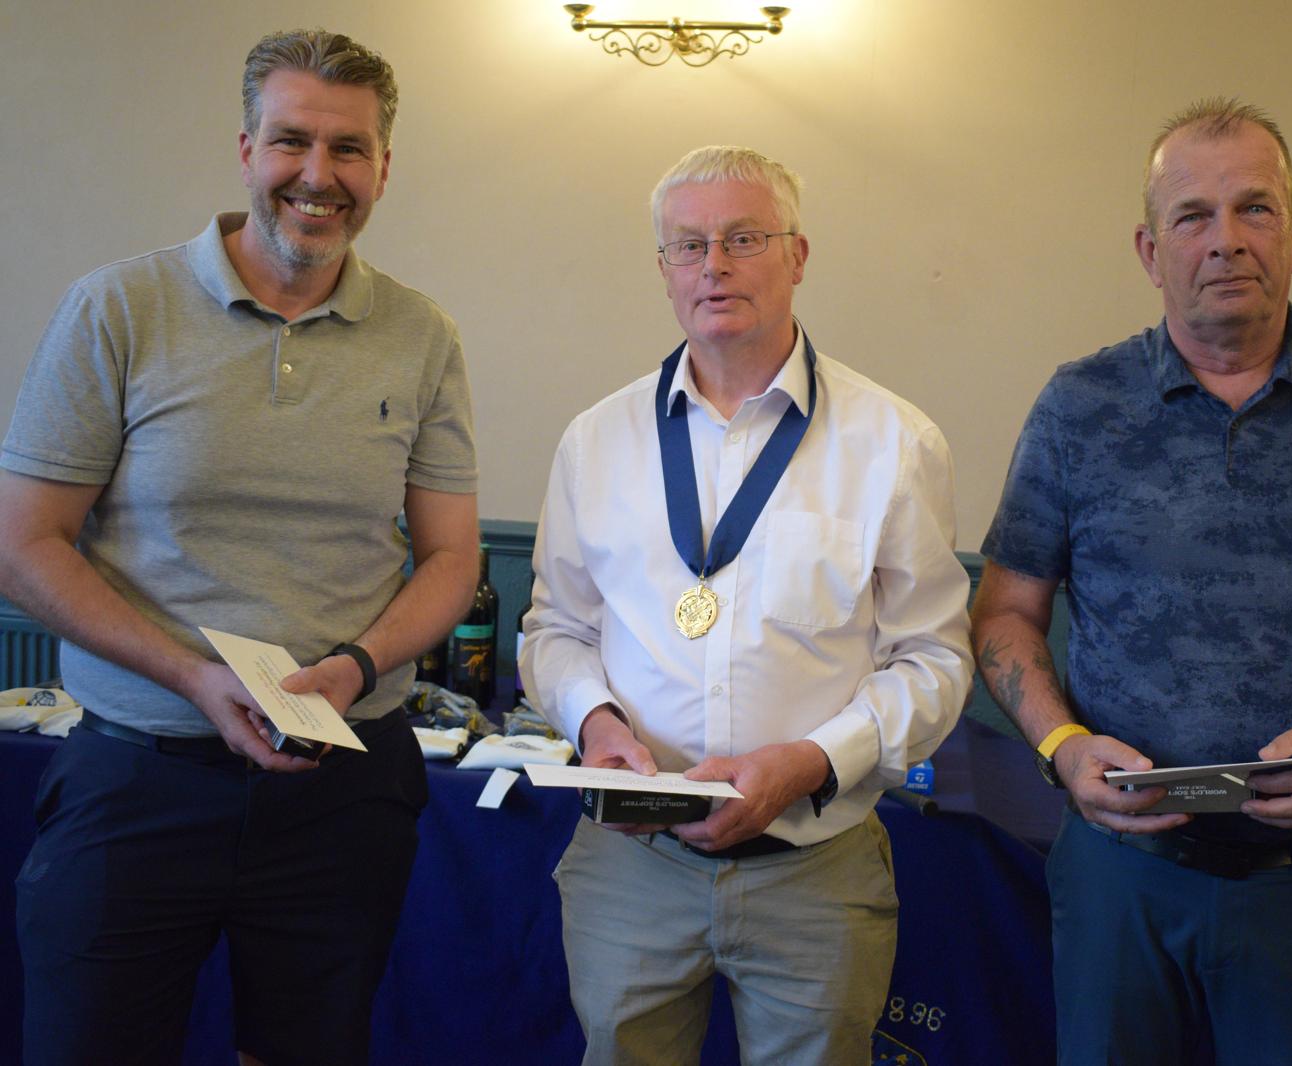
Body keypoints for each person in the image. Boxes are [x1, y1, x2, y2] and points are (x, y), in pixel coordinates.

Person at [970, 98, 1292, 1066]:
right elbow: (1004, 609)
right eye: (1192, 216)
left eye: (1254, 208)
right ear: (1149, 249)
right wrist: (1061, 747)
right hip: (1119, 872)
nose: (1225, 240)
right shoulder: (1079, 405)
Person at [0, 29, 480, 1066]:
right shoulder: (118, 308)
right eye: (292, 141)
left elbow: (451, 560)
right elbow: (23, 542)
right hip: (139, 778)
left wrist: (354, 667)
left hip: (343, 785)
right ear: (247, 149)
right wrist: (192, 677)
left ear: (383, 167)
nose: (319, 175)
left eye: (349, 149)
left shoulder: (422, 334)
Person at [522, 145, 973, 1066]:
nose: (714, 266)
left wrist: (809, 763)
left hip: (815, 871)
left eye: (743, 238)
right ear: (663, 269)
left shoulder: (894, 441)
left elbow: (934, 661)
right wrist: (596, 722)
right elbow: (556, 631)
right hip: (631, 869)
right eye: (688, 246)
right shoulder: (596, 441)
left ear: (797, 255)